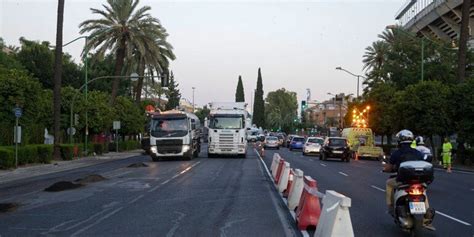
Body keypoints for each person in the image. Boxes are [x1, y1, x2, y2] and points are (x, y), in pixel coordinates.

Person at [383, 130, 435, 230]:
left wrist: (385, 169)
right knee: (423, 190)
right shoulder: (417, 153)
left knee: (388, 184)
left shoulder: (396, 153)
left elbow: (389, 168)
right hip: (417, 180)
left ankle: (390, 207)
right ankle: (426, 214)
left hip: (402, 182)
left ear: (399, 141)